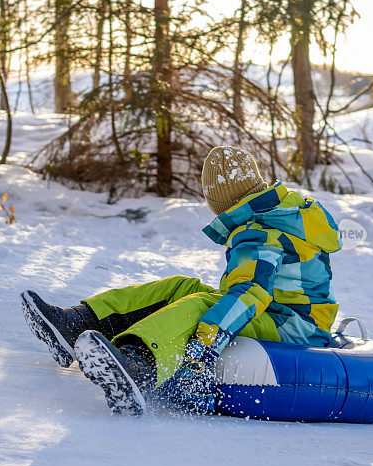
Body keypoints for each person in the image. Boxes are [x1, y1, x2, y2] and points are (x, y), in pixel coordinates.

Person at [21, 146, 342, 416]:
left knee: (202, 303)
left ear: (219, 202)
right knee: (182, 286)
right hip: (288, 316)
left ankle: (138, 365)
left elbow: (249, 292)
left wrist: (206, 344)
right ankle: (79, 323)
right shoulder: (280, 214)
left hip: (290, 328)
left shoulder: (259, 233)